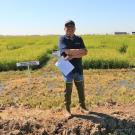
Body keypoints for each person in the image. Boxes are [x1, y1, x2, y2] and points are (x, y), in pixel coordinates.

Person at [58, 20, 89, 118]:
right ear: (64, 29)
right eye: (67, 27)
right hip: (67, 68)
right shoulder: (62, 39)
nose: (69, 29)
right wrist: (77, 52)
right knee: (68, 89)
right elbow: (65, 51)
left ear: (75, 28)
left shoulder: (79, 39)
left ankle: (82, 106)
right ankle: (67, 109)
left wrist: (71, 55)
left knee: (81, 88)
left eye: (71, 27)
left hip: (78, 68)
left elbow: (85, 52)